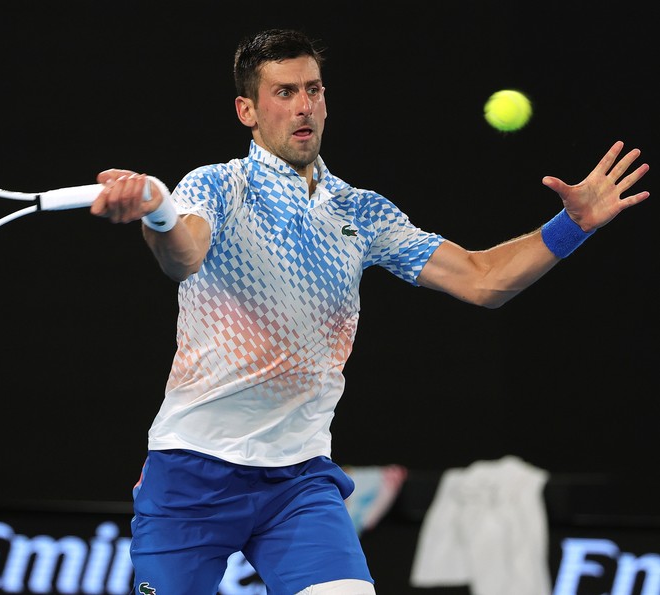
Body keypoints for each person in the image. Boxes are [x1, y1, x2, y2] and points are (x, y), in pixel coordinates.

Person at [88, 28, 650, 595]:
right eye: (284, 92)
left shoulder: (364, 213)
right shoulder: (219, 187)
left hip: (298, 482)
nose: (304, 105)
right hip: (193, 473)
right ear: (248, 111)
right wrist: (158, 212)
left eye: (313, 89)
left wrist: (571, 227)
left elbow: (485, 281)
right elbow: (183, 257)